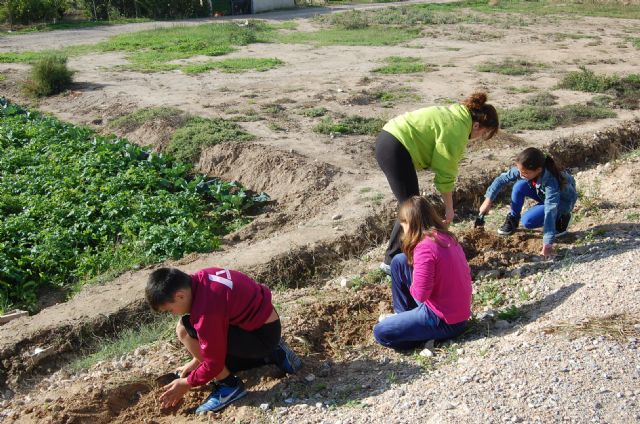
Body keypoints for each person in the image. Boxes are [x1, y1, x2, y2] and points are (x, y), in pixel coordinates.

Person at [145, 267, 302, 413]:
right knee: (190, 329)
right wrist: (196, 360)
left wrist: (186, 383)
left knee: (185, 330)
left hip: (261, 337)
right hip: (266, 324)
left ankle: (229, 386)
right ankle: (275, 351)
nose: (173, 313)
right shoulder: (202, 277)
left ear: (180, 295)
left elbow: (214, 364)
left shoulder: (207, 312)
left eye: (170, 310)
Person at [376, 92, 499, 273]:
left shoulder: (457, 115)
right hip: (395, 146)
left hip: (391, 139)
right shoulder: (457, 130)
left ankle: (400, 256)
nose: (478, 138)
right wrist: (449, 208)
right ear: (477, 125)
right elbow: (445, 172)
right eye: (482, 134)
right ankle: (393, 261)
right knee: (412, 207)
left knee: (412, 204)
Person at [373, 196, 472, 350]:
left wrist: (416, 278)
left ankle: (422, 335)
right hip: (458, 313)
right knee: (399, 261)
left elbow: (420, 295)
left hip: (444, 320)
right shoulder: (447, 237)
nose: (402, 228)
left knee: (381, 332)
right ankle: (406, 317)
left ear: (410, 224)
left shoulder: (424, 248)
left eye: (403, 223)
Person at [478, 147, 577, 257]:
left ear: (538, 170)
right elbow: (501, 179)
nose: (521, 174)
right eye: (520, 171)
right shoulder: (525, 169)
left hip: (562, 202)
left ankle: (562, 218)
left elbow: (550, 209)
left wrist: (547, 244)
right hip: (544, 195)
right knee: (519, 186)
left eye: (525, 173)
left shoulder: (551, 182)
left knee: (528, 221)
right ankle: (513, 219)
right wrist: (488, 201)